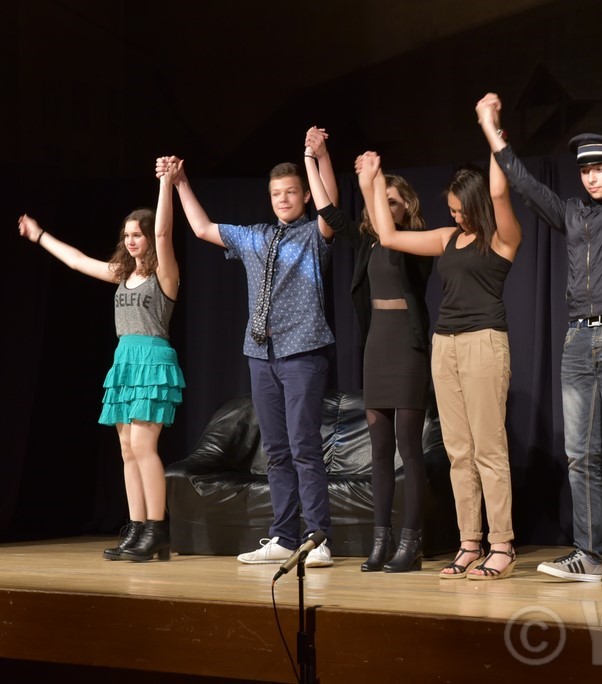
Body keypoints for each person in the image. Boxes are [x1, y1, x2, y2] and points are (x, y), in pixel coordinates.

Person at [481, 92, 602, 585]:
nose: (592, 176)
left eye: (601, 167)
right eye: (585, 170)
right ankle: (587, 553)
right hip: (578, 337)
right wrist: (492, 131)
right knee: (580, 453)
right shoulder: (574, 214)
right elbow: (526, 185)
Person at [356, 99, 522, 580]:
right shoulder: (448, 237)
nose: (455, 215)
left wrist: (491, 130)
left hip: (484, 342)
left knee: (489, 448)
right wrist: (372, 182)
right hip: (444, 345)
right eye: (450, 210)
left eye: (460, 209)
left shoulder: (501, 238)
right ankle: (469, 543)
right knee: (457, 450)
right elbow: (386, 234)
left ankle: (502, 545)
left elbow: (499, 191)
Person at [162, 135, 337, 568]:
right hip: (260, 353)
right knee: (275, 449)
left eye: (292, 192)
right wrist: (181, 182)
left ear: (304, 196)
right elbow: (203, 229)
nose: (283, 199)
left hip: (302, 352)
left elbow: (330, 207)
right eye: (277, 193)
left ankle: (318, 538)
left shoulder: (316, 235)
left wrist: (315, 157)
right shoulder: (255, 237)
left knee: (303, 446)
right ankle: (283, 535)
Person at [17, 159, 186, 562]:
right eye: (127, 234)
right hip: (124, 359)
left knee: (144, 445)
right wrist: (40, 235)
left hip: (152, 358)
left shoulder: (165, 274)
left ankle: (158, 530)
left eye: (138, 234)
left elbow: (164, 230)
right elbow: (76, 260)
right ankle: (138, 528)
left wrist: (165, 183)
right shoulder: (121, 274)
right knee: (127, 449)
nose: (132, 240)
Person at [304, 126, 433, 573]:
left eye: (393, 201)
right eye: (383, 200)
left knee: (407, 449)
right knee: (379, 451)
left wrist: (373, 182)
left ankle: (411, 543)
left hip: (409, 349)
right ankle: (381, 541)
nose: (385, 208)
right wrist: (314, 157)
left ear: (406, 207)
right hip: (376, 346)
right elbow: (326, 209)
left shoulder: (418, 243)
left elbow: (387, 224)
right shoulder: (368, 243)